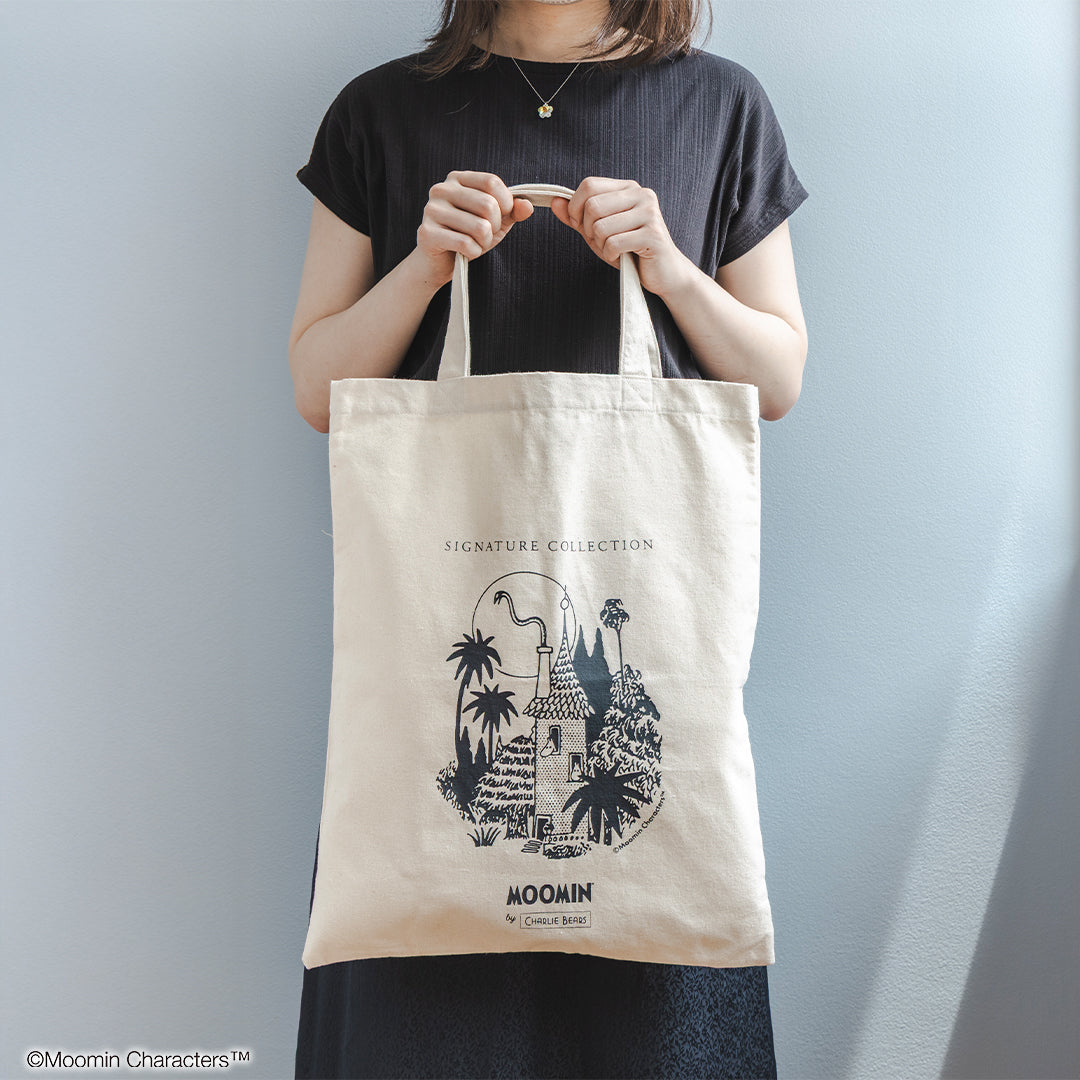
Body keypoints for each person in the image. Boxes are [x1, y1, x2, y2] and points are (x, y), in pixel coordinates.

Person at [289, 1, 808, 1076]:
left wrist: (667, 265)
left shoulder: (719, 105)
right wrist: (424, 265)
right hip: (435, 620)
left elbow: (775, 378)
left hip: (644, 598)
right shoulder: (380, 112)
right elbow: (318, 387)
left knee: (658, 994)